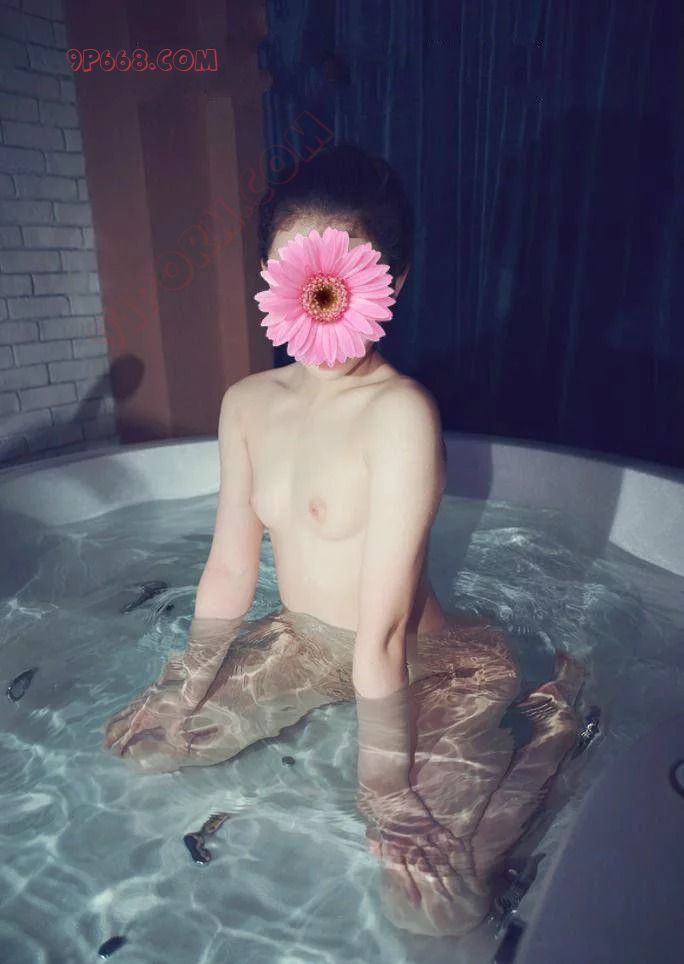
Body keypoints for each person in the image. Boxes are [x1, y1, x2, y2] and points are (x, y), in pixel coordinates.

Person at [104, 143, 583, 937]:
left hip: (431, 666)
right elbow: (230, 566)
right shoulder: (247, 403)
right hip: (307, 643)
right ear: (270, 277)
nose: (318, 297)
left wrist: (384, 791)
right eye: (293, 269)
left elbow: (383, 636)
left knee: (435, 909)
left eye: (342, 272)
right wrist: (185, 682)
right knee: (145, 745)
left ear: (392, 280)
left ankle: (555, 733)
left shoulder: (400, 415)